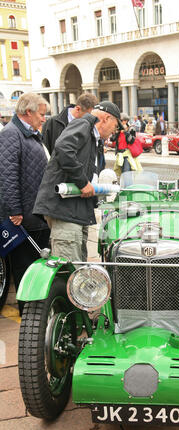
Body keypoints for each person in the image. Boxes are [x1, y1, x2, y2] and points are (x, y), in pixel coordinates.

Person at [33, 101, 122, 263]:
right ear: (106, 118)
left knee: (78, 267)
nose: (113, 132)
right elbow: (63, 147)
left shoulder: (92, 135)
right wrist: (83, 183)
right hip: (66, 211)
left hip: (75, 212)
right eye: (115, 126)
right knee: (69, 269)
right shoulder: (84, 124)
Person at [0, 93, 51, 315]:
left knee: (35, 267)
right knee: (25, 270)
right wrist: (15, 211)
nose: (44, 119)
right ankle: (29, 316)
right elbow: (7, 175)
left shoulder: (29, 134)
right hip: (23, 219)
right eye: (41, 114)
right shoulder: (11, 134)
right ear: (27, 112)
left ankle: (36, 315)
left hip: (35, 214)